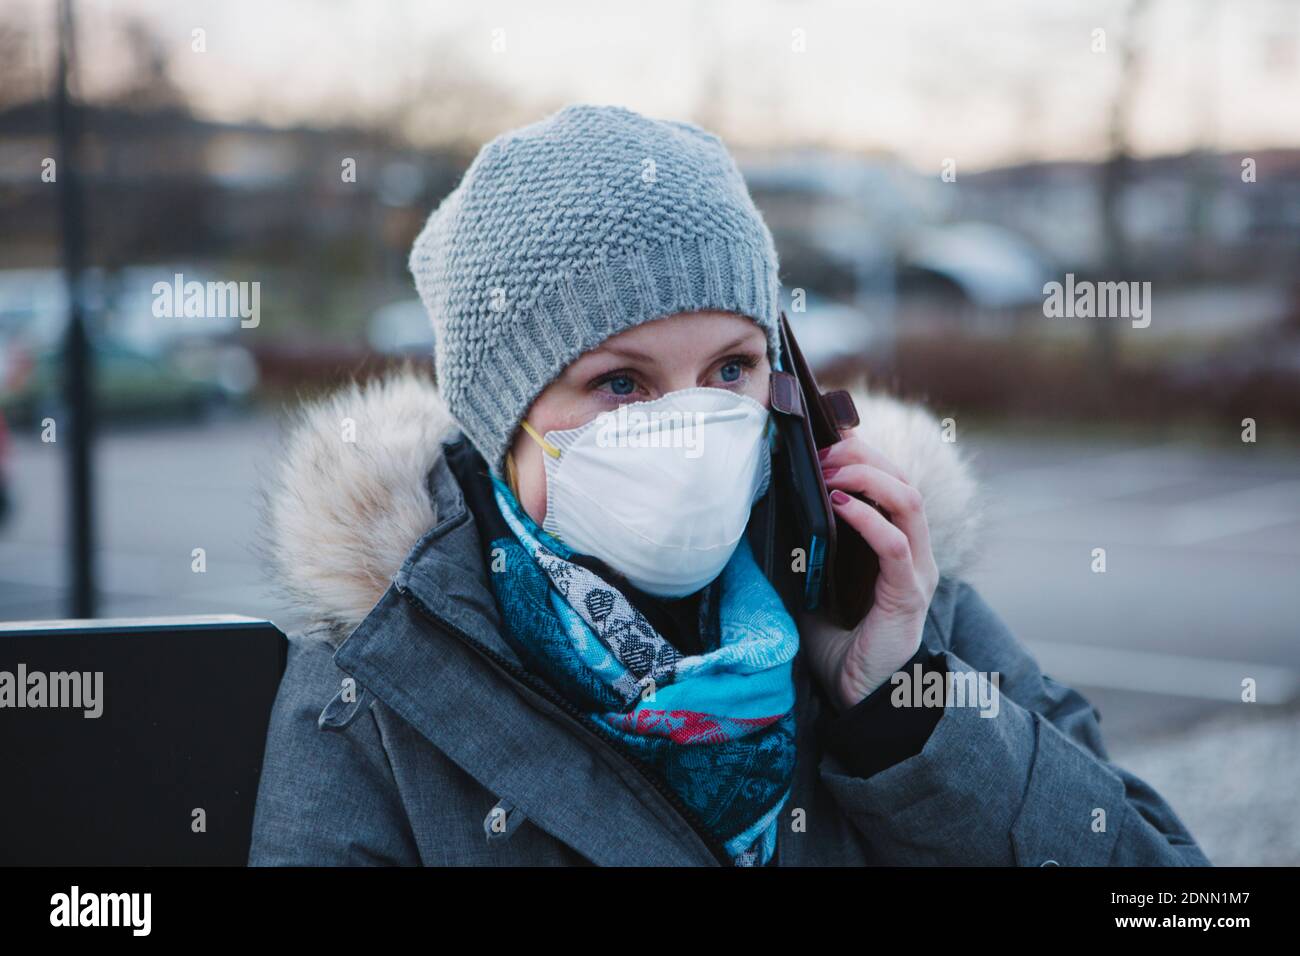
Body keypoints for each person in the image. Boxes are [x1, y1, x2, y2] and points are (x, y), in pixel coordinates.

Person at [248, 104, 1209, 866]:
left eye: (732, 371)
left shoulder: (890, 597)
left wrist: (903, 712)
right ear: (508, 424)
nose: (694, 426)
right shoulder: (382, 681)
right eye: (620, 383)